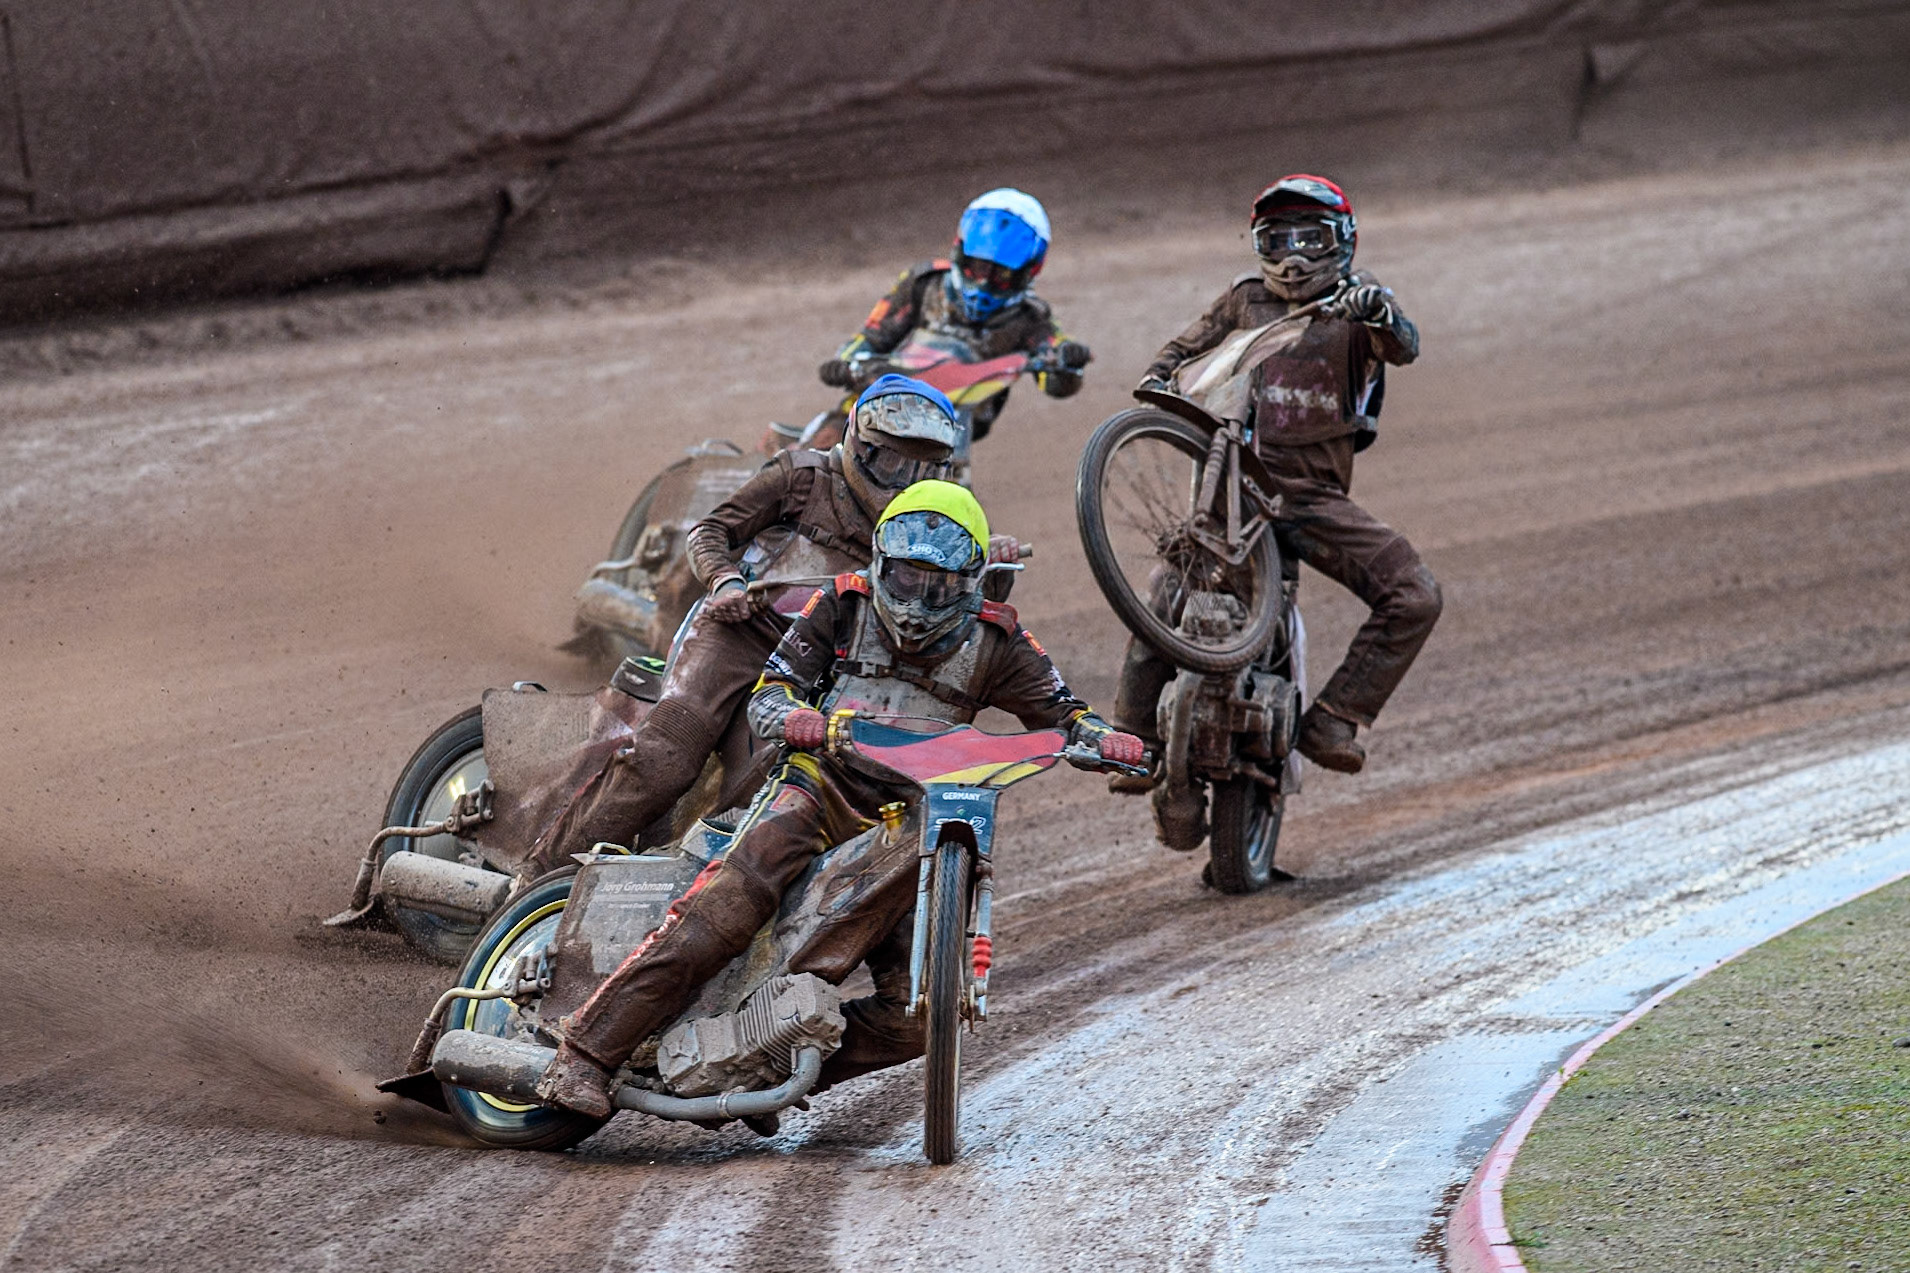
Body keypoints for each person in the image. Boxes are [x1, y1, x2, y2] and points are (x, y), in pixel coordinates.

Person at [536, 481, 1144, 1116]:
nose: (916, 601)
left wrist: (1107, 740)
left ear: (971, 582)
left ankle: (761, 1069)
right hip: (818, 785)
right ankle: (583, 1053)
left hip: (922, 819)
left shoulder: (998, 642)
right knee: (721, 910)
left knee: (922, 1017)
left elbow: (1068, 713)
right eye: (905, 580)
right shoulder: (841, 604)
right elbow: (770, 692)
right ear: (881, 566)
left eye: (936, 586)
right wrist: (798, 719)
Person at [519, 376, 992, 880]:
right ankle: (537, 877)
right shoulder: (802, 476)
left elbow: (970, 603)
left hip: (821, 666)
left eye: (918, 468)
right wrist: (724, 582)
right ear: (857, 442)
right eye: (888, 461)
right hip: (739, 635)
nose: (900, 479)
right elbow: (712, 530)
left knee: (791, 789)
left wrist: (985, 560)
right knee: (667, 758)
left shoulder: (940, 517)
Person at [1119, 174, 1441, 780]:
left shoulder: (1358, 298)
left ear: (1341, 241)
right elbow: (1176, 353)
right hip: (1229, 493)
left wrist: (1378, 312)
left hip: (1312, 500)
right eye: (1278, 240)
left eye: (1310, 238)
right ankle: (1133, 741)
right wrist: (1159, 381)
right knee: (1162, 601)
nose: (1293, 257)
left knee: (1415, 594)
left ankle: (1334, 718)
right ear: (1257, 246)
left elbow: (1402, 344)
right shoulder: (1243, 300)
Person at [782, 189, 1090, 452]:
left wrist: (1068, 362)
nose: (984, 283)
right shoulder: (924, 283)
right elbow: (871, 336)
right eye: (978, 268)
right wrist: (843, 364)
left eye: (1002, 275)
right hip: (879, 402)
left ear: (1029, 271)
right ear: (960, 254)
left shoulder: (1030, 318)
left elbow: (1056, 375)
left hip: (953, 423)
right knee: (823, 446)